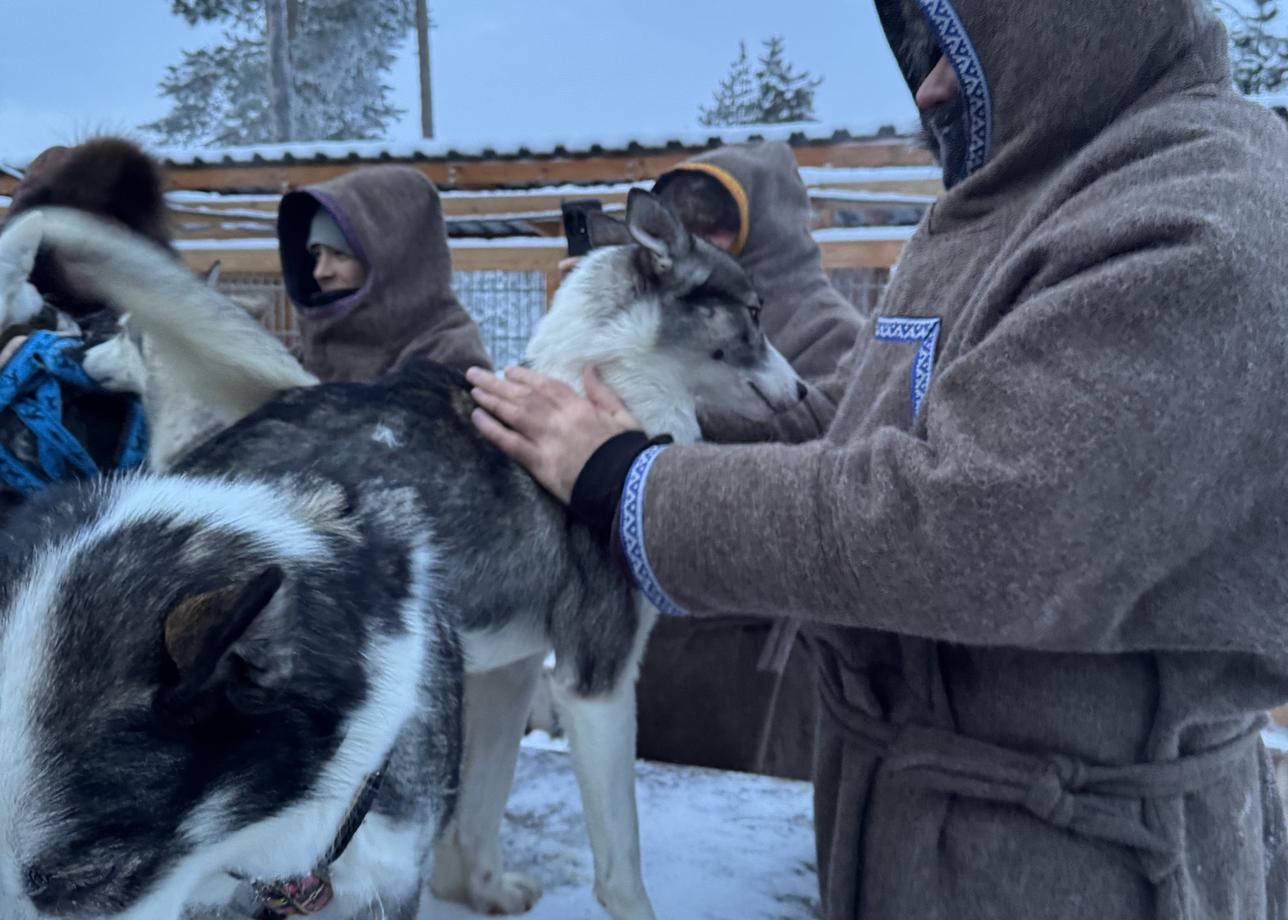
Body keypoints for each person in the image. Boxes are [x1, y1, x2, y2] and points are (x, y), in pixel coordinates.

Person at [467, 2, 1288, 918]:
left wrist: (632, 482)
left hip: (1081, 863)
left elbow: (968, 526)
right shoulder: (1008, 205)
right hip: (922, 829)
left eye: (955, 48)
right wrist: (619, 415)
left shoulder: (1195, 212)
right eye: (918, 52)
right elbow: (848, 433)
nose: (928, 85)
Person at [634, 142, 866, 780]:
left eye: (718, 225)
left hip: (759, 640)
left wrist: (663, 426)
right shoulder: (671, 317)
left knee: (745, 823)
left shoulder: (828, 326)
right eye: (686, 227)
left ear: (767, 224)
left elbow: (824, 448)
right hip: (668, 604)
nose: (701, 241)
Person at [277, 165, 490, 382]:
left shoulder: (446, 357)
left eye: (339, 254)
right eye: (316, 255)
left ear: (393, 258)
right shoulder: (301, 360)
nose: (320, 272)